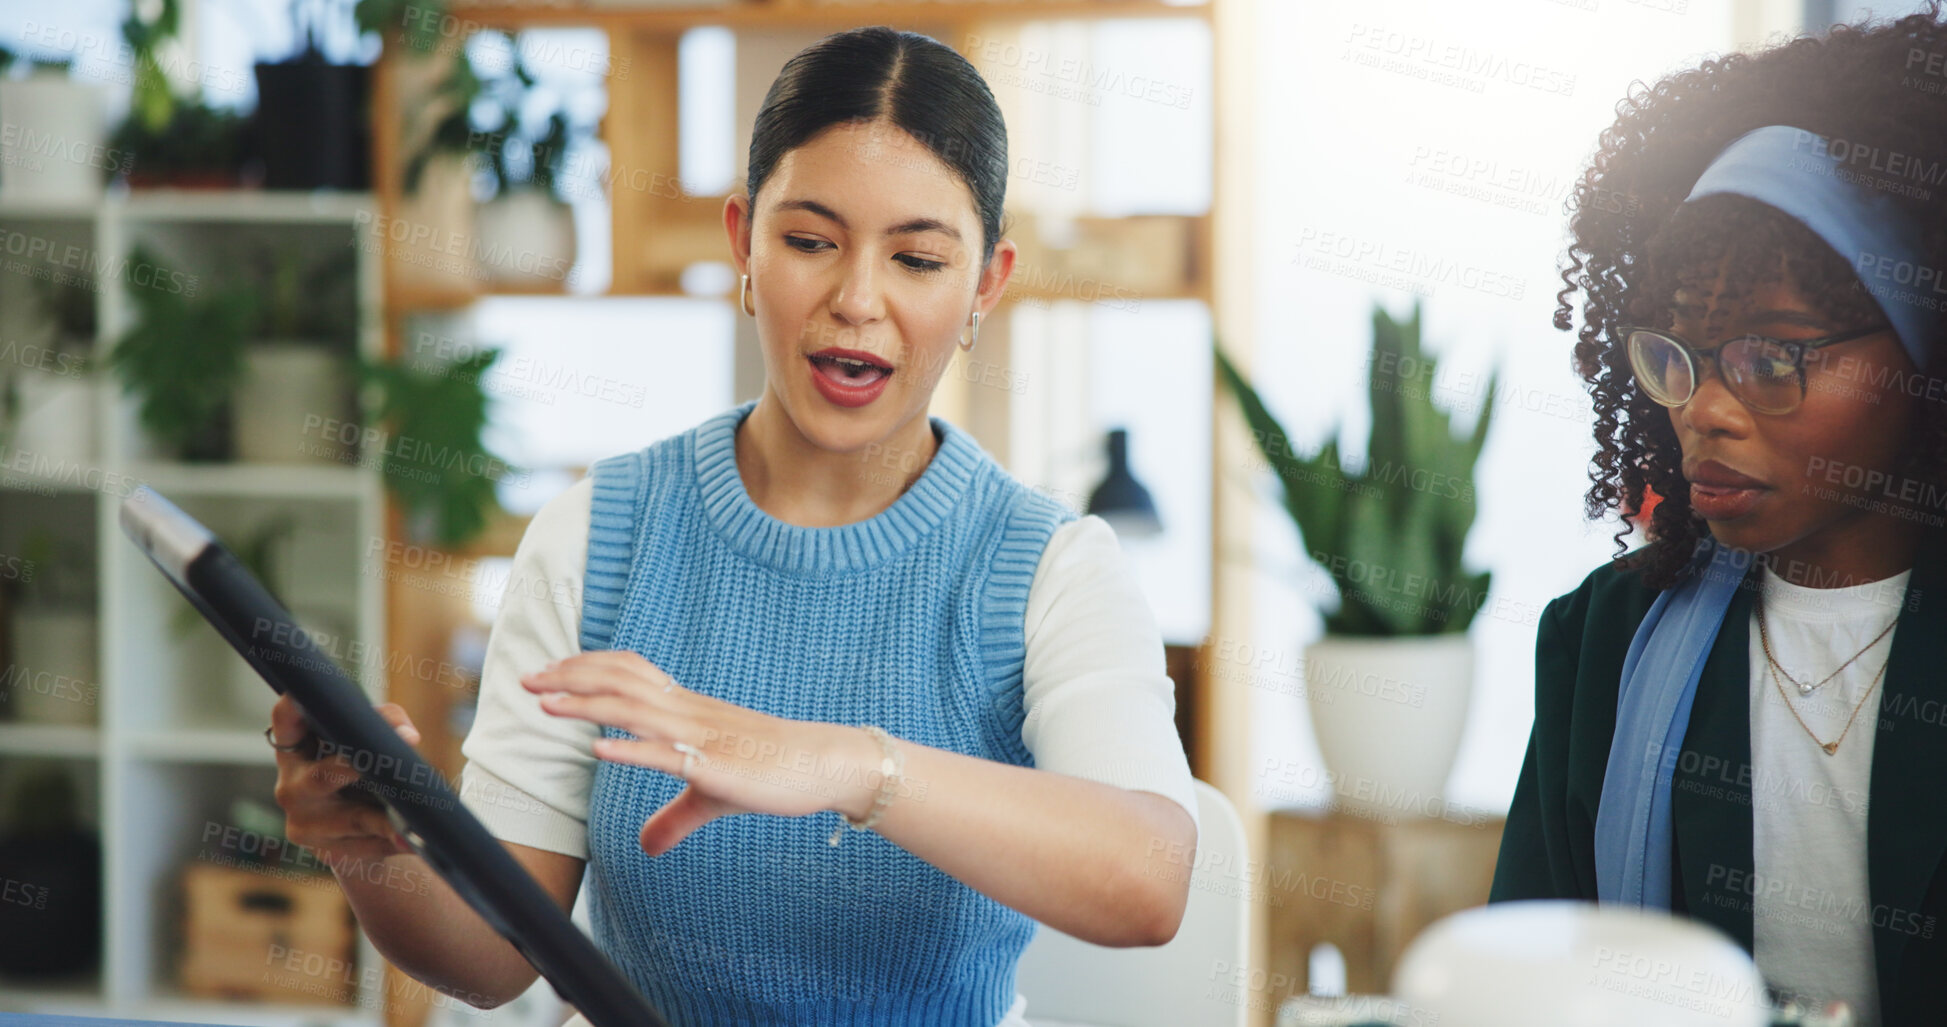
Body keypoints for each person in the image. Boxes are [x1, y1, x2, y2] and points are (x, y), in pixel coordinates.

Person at [270, 25, 1199, 1026]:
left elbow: (1148, 879)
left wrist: (848, 766)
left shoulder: (1051, 567)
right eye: (809, 242)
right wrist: (368, 849)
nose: (857, 300)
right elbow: (496, 958)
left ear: (985, 284)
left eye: (918, 258)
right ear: (743, 243)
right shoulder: (597, 537)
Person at [1489, 7, 1947, 1025]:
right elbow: (1526, 984)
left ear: (1920, 351)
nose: (1703, 407)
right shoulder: (1600, 642)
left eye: (1771, 357)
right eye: (1679, 357)